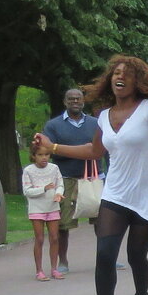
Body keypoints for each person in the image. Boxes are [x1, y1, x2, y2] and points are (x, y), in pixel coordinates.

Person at [34, 55, 148, 295]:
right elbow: (94, 149)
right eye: (116, 73)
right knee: (104, 255)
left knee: (135, 256)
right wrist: (51, 147)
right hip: (115, 194)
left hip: (147, 194)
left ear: (136, 81)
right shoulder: (104, 115)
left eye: (126, 74)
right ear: (110, 80)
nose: (120, 77)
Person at [43, 88, 100, 274]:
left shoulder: (96, 123)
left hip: (93, 178)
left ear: (83, 101)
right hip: (65, 179)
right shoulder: (53, 125)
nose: (75, 101)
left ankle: (106, 259)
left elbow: (103, 147)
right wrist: (81, 150)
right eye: (71, 99)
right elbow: (48, 149)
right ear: (65, 101)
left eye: (78, 99)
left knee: (102, 221)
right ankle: (63, 261)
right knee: (63, 224)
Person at [22, 141, 65, 281]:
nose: (44, 158)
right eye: (40, 155)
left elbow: (60, 184)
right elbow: (27, 191)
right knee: (39, 238)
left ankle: (54, 268)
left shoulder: (54, 168)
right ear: (34, 156)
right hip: (37, 208)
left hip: (52, 206)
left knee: (54, 237)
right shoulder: (28, 170)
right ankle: (39, 270)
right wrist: (44, 188)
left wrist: (58, 193)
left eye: (46, 154)